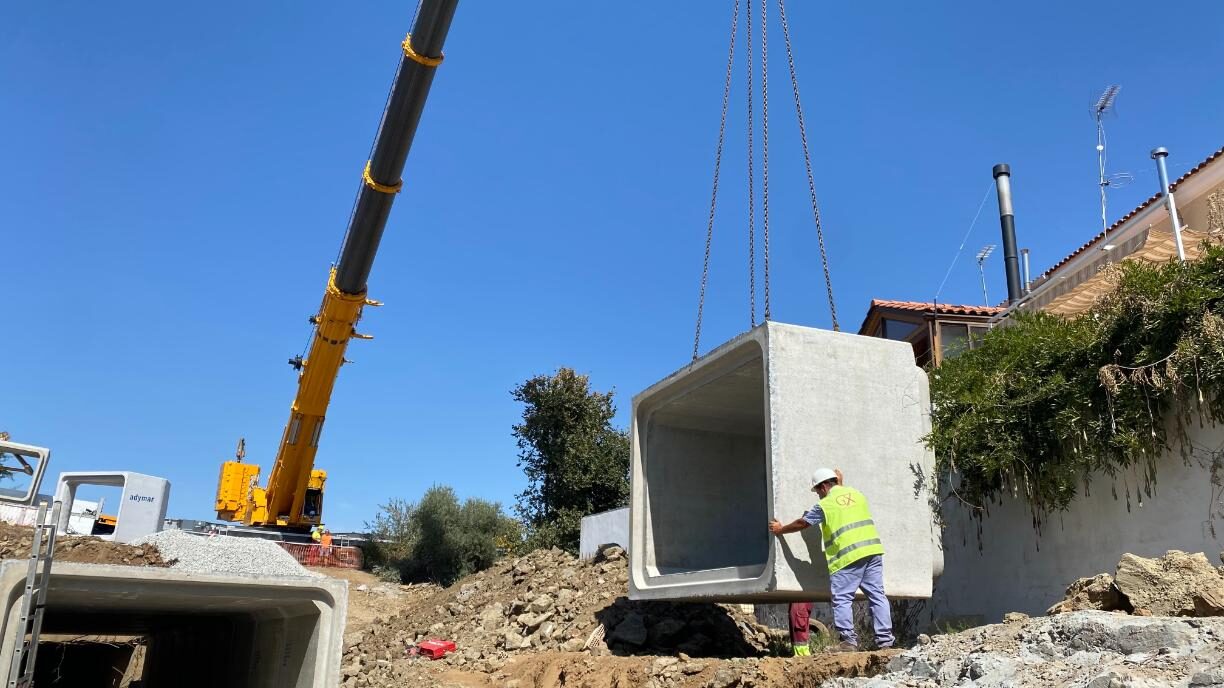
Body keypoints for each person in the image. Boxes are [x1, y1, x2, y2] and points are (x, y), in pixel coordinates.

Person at [768, 467, 893, 652]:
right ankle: (885, 642)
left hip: (847, 557)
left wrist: (780, 529)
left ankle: (848, 643)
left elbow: (803, 523)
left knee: (842, 599)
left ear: (824, 486)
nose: (818, 495)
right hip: (872, 552)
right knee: (877, 596)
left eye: (818, 490)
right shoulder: (857, 494)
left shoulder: (825, 505)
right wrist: (840, 483)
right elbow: (843, 502)